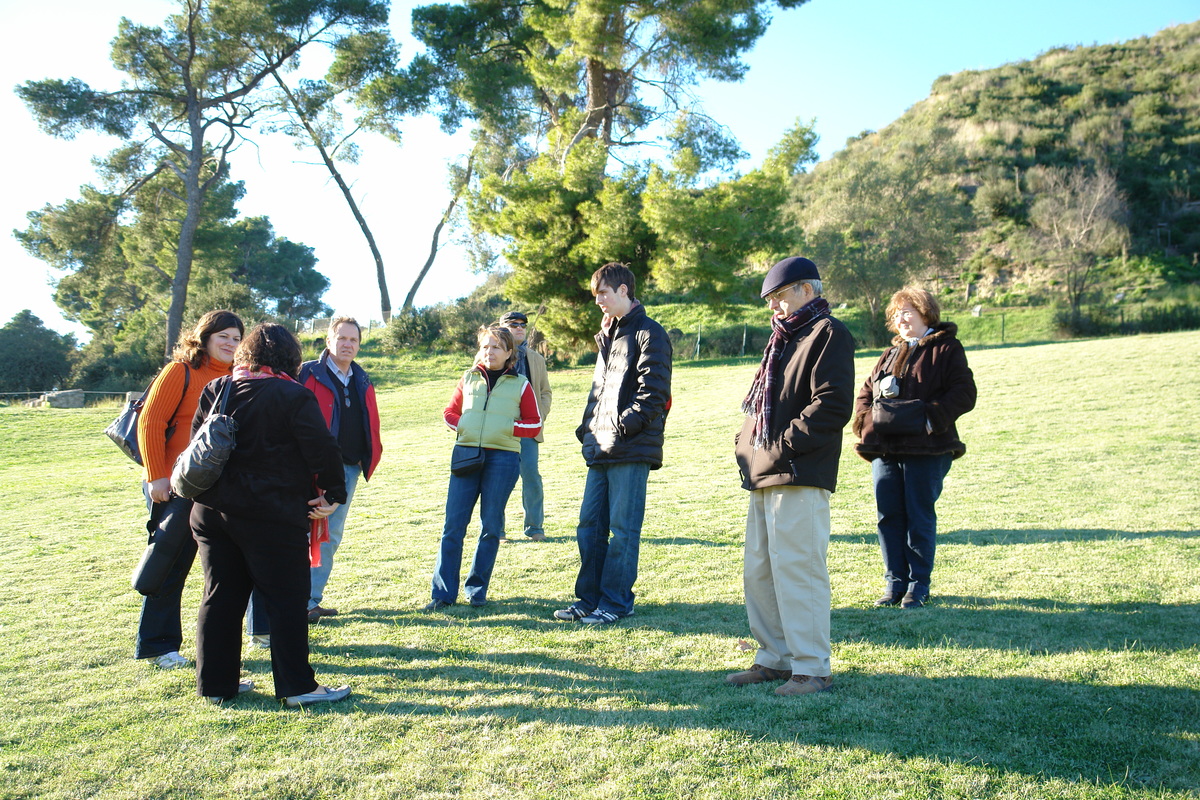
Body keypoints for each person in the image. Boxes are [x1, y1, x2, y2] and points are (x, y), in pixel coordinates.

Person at [189, 323, 351, 707]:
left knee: (220, 595)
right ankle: (297, 687)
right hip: (270, 512)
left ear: (245, 354)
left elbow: (197, 442)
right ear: (290, 359)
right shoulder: (291, 394)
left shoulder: (217, 389)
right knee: (286, 600)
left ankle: (216, 684)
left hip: (211, 511)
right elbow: (322, 448)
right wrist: (334, 492)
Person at [728, 257, 855, 697]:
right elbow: (765, 403)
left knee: (798, 570)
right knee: (760, 572)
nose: (775, 307)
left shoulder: (829, 333)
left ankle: (812, 668)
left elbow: (833, 405)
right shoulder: (783, 338)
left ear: (807, 289)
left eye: (779, 296)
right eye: (771, 300)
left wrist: (779, 446)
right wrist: (749, 446)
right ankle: (775, 659)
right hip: (764, 472)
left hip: (800, 470)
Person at [555, 263, 672, 626]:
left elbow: (654, 395)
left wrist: (622, 427)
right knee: (589, 527)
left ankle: (617, 603)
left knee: (623, 530)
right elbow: (600, 393)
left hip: (631, 448)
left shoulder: (650, 334)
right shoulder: (608, 337)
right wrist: (587, 429)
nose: (599, 301)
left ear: (624, 291)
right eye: (596, 296)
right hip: (600, 447)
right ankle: (588, 601)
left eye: (603, 293)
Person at [851, 287, 977, 609]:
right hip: (886, 450)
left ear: (925, 313)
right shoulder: (890, 353)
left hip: (928, 448)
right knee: (888, 516)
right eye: (896, 314)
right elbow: (866, 391)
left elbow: (964, 392)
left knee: (919, 516)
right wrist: (865, 422)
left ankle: (918, 585)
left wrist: (930, 419)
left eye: (907, 311)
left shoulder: (947, 348)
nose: (901, 318)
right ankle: (894, 583)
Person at [134, 309, 245, 669]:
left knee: (223, 568)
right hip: (175, 486)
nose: (230, 343)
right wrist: (156, 476)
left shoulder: (236, 378)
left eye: (236, 338)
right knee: (169, 563)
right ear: (205, 337)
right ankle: (157, 645)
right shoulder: (180, 371)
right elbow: (151, 423)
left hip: (217, 491)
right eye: (223, 336)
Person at [426, 326, 542, 610]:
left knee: (490, 527)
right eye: (486, 347)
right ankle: (442, 594)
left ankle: (476, 590)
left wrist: (504, 428)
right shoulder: (468, 378)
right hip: (466, 455)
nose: (490, 353)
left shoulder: (521, 384)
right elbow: (450, 413)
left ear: (508, 353)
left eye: (497, 348)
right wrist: (465, 425)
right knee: (453, 526)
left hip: (503, 459)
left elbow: (534, 423)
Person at [297, 316, 383, 621]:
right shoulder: (306, 372)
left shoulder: (361, 377)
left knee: (329, 536)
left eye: (354, 340)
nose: (348, 344)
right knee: (298, 534)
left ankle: (309, 602)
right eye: (342, 338)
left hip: (347, 470)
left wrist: (365, 458)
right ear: (328, 341)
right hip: (305, 468)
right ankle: (289, 601)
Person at [498, 310, 552, 542]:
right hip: (499, 430)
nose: (520, 328)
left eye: (523, 324)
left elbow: (545, 392)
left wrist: (540, 416)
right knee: (497, 480)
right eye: (513, 324)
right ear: (502, 328)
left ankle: (535, 528)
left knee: (531, 477)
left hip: (528, 430)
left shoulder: (536, 359)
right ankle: (496, 531)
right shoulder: (491, 356)